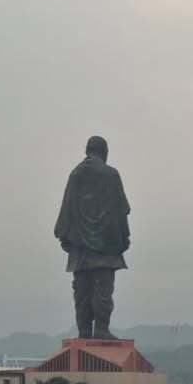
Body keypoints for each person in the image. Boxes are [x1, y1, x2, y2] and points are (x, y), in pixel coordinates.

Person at [54, 135, 131, 339]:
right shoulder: (112, 175)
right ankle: (102, 329)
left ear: (87, 151)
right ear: (104, 152)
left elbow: (67, 206)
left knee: (82, 291)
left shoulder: (76, 174)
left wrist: (63, 236)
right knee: (103, 290)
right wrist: (125, 238)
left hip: (80, 248)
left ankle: (84, 331)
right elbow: (121, 210)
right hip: (107, 246)